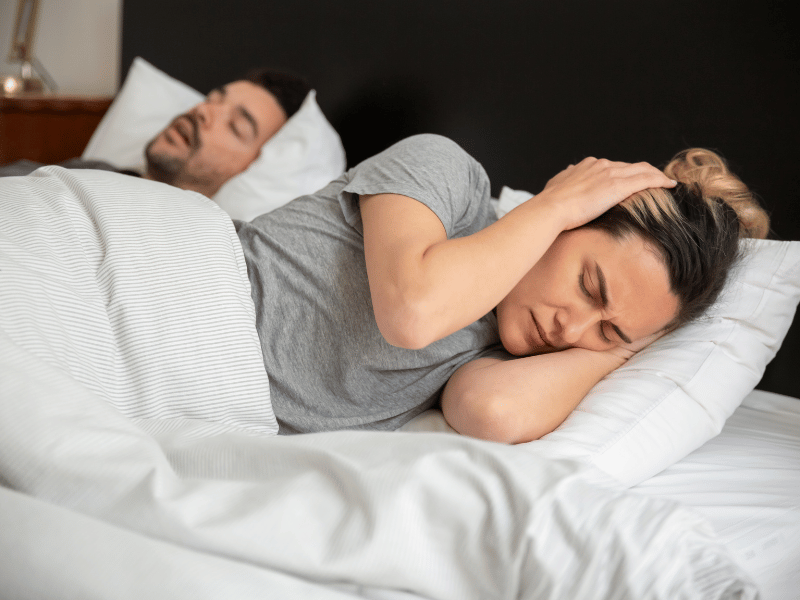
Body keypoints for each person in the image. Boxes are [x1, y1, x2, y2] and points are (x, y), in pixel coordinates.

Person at [235, 134, 769, 442]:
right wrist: (553, 204)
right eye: (589, 285)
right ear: (571, 219)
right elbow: (412, 312)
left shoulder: (501, 353)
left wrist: (625, 348)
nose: (572, 328)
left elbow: (492, 412)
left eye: (608, 329)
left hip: (191, 398)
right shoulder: (446, 178)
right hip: (174, 283)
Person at [0, 68, 311, 196]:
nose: (202, 111)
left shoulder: (200, 244)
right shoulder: (92, 170)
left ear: (254, 169)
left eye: (235, 126)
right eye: (213, 99)